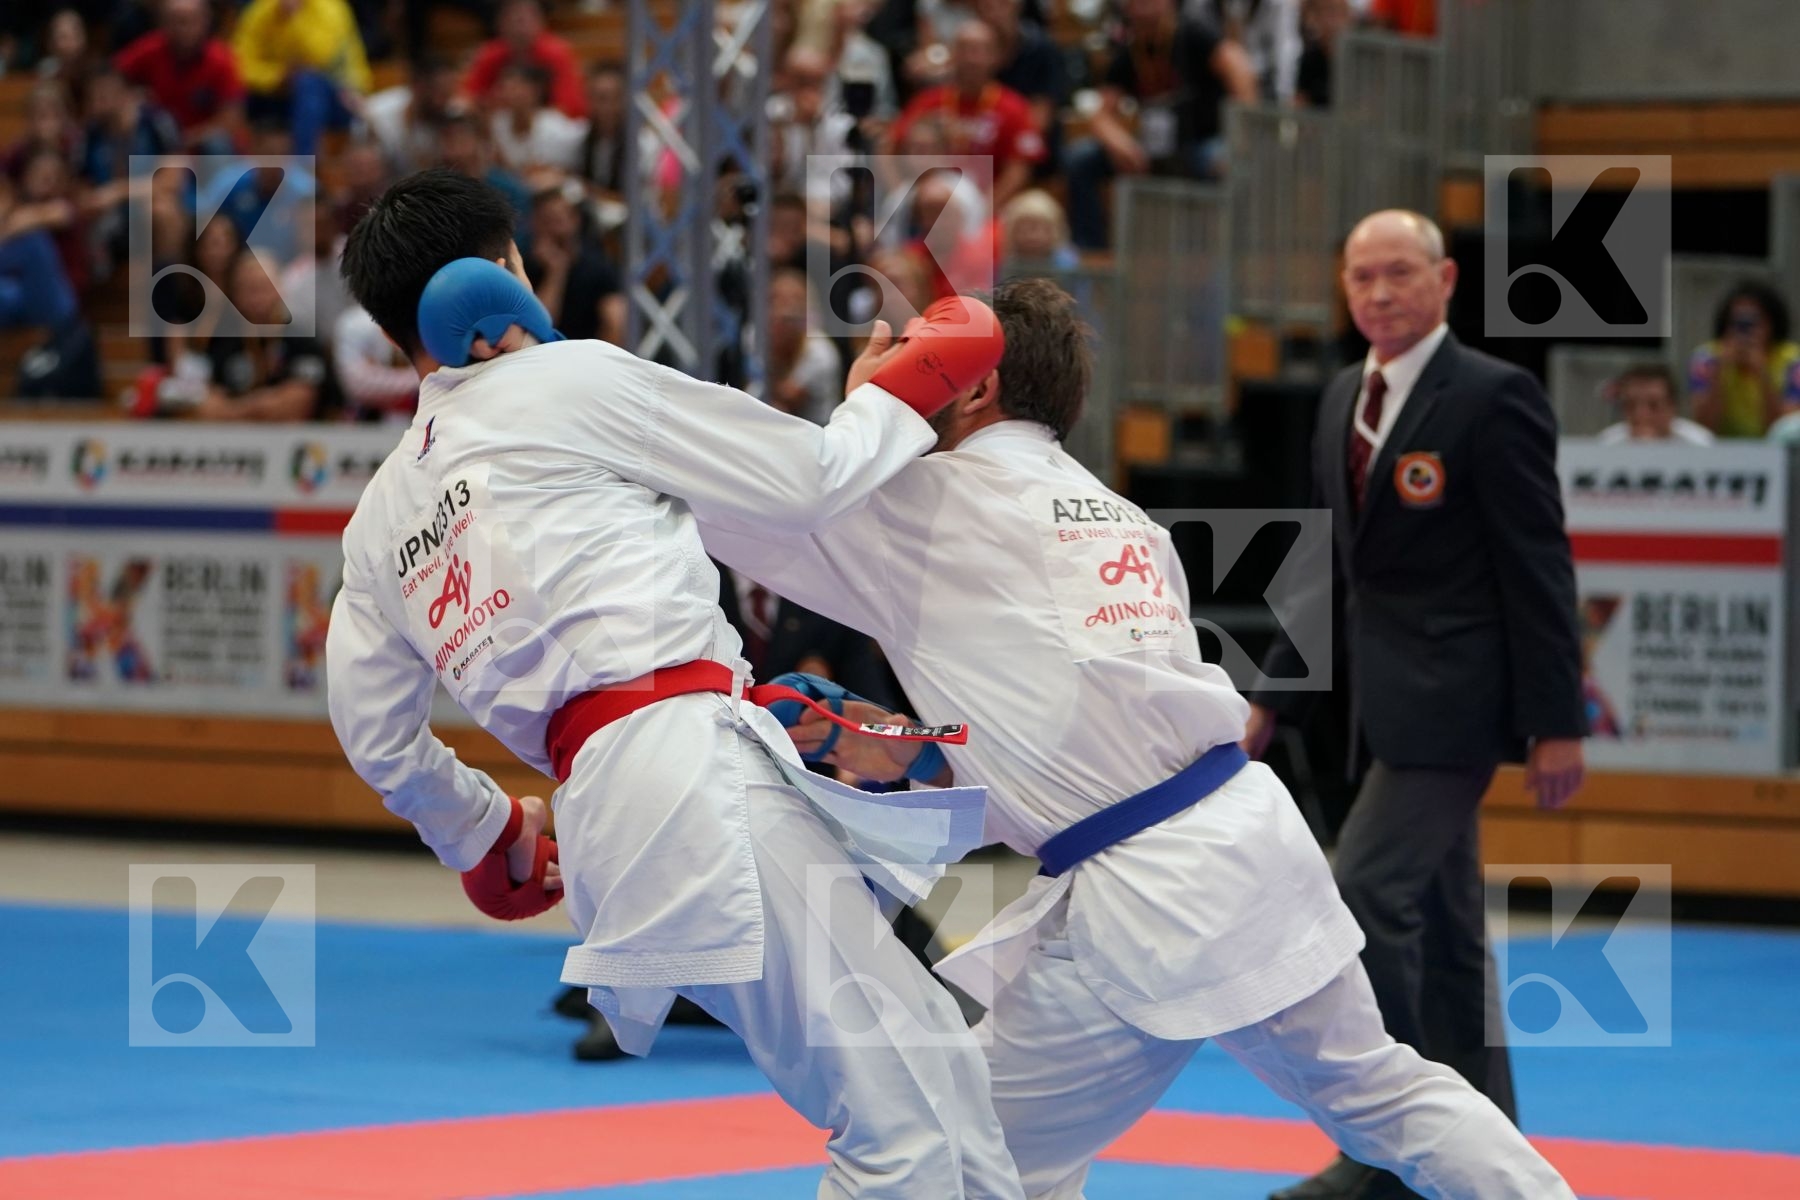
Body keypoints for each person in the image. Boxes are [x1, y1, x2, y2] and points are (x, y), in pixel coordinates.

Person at [677, 275, 1579, 1200]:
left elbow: (750, 497)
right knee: (1380, 1088)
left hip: (1148, 898)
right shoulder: (1122, 517)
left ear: (974, 384)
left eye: (922, 358)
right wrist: (922, 749)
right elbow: (1081, 719)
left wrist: (866, 410)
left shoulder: (931, 502)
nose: (911, 373)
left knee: (941, 1149)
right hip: (1242, 842)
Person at [327, 167, 1025, 1199]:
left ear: (396, 332)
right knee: (901, 1119)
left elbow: (376, 738)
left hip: (613, 812)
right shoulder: (568, 381)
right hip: (686, 774)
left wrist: (485, 832)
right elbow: (811, 480)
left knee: (933, 1070)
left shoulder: (381, 517)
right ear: (504, 269)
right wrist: (898, 394)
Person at [1243, 210, 1586, 1200]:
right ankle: (1489, 1147)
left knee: (1364, 892)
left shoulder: (1493, 395)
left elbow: (1538, 564)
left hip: (1459, 706)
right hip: (1377, 708)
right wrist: (1272, 696)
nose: (1381, 293)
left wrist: (1558, 721)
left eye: (1400, 273)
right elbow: (1328, 566)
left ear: (1446, 281)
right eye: (1363, 277)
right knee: (1446, 933)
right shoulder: (1342, 397)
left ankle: (1382, 1143)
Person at [1063, 0, 1256, 248]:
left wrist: (1240, 134)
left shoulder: (1193, 34)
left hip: (1203, 142)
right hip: (1152, 150)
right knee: (1081, 159)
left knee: (1220, 161)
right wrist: (1120, 143)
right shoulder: (1131, 52)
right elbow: (1100, 116)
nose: (1142, 8)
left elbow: (1239, 69)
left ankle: (1217, 251)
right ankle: (1090, 250)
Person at [885, 20, 1046, 212]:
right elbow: (888, 148)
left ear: (996, 57)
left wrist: (980, 212)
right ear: (953, 54)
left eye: (980, 50)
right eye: (964, 49)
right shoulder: (928, 102)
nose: (971, 58)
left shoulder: (1014, 108)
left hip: (989, 210)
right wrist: (905, 199)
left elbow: (1019, 170)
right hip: (930, 209)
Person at [232, 0, 373, 158]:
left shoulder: (330, 7)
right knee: (238, 96)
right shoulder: (260, 12)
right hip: (280, 94)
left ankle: (303, 163)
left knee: (308, 83)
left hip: (341, 96)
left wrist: (294, 18)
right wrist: (278, 76)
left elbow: (318, 57)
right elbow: (239, 64)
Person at [113, 0, 244, 156]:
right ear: (163, 23)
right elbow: (110, 76)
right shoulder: (150, 49)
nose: (184, 29)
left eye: (191, 21)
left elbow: (231, 120)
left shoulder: (222, 59)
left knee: (218, 143)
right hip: (160, 136)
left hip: (201, 142)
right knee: (139, 132)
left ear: (206, 22)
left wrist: (185, 140)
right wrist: (129, 102)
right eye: (177, 21)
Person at [1688, 280, 1800, 439]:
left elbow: (1785, 432)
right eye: (1738, 322)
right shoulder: (1707, 359)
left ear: (1771, 323)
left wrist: (1763, 374)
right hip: (1723, 447)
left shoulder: (1793, 361)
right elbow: (1703, 429)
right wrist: (1720, 371)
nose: (1746, 332)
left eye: (1753, 322)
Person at [1597, 363, 1713, 445]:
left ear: (1672, 406)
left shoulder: (1700, 445)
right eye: (1631, 405)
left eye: (1653, 405)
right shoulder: (1606, 445)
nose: (1641, 414)